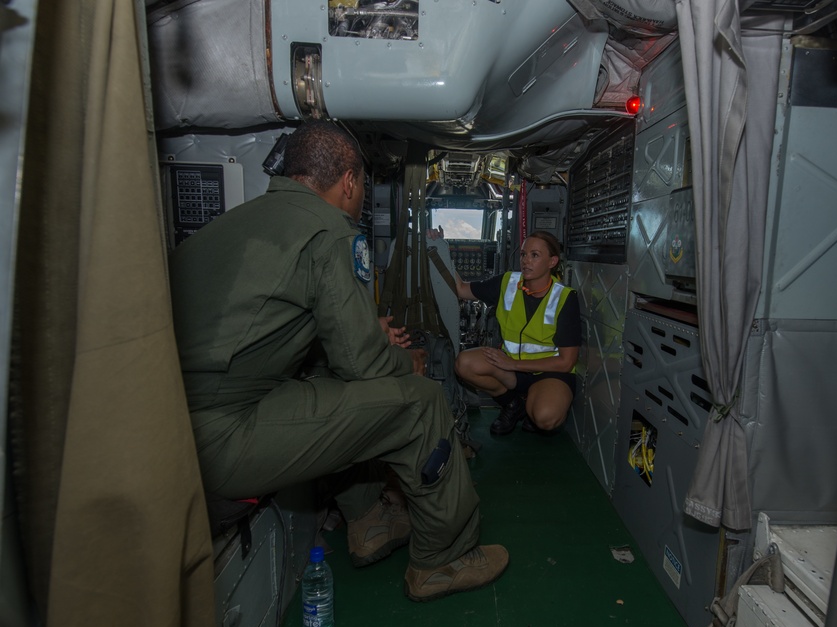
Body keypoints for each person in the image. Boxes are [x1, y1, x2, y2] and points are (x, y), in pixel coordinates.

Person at [168, 120, 508, 601]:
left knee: (331, 380)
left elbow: (266, 328)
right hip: (222, 436)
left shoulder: (242, 220)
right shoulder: (329, 231)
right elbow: (362, 364)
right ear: (348, 181)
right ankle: (443, 559)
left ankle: (369, 522)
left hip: (177, 425)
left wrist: (369, 334)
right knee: (422, 401)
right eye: (363, 186)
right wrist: (404, 358)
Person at [453, 231, 582, 435]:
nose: (526, 261)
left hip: (548, 373)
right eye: (523, 254)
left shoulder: (565, 298)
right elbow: (460, 289)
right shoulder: (507, 283)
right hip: (511, 369)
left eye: (535, 255)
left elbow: (567, 362)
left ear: (552, 261)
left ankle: (535, 405)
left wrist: (513, 364)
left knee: (545, 417)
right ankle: (513, 405)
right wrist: (438, 248)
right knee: (464, 363)